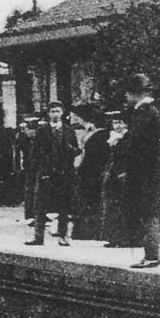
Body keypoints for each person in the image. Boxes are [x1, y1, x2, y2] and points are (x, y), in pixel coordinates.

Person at [121, 74, 160, 269]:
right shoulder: (149, 113)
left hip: (147, 176)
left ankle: (152, 255)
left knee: (149, 213)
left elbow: (142, 148)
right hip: (149, 174)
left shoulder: (145, 115)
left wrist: (131, 171)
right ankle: (150, 254)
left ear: (135, 93)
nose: (125, 97)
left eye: (127, 93)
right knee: (148, 213)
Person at [25, 101, 80, 246]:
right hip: (46, 172)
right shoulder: (42, 131)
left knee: (64, 207)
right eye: (52, 111)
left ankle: (63, 236)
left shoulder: (69, 131)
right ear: (48, 114)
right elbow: (35, 153)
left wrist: (70, 150)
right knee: (40, 206)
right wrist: (38, 171)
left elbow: (77, 150)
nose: (55, 114)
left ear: (62, 113)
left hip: (64, 173)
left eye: (58, 111)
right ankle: (38, 237)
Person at [72, 107, 111, 241]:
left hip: (92, 173)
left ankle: (90, 232)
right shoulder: (91, 134)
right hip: (88, 173)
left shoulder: (100, 135)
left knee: (91, 203)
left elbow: (93, 156)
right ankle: (86, 232)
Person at [101, 110, 137, 247]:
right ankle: (113, 237)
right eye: (114, 122)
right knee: (111, 206)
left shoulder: (128, 137)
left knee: (124, 206)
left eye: (120, 122)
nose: (117, 125)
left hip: (124, 174)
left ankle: (127, 238)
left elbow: (128, 155)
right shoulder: (111, 137)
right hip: (112, 175)